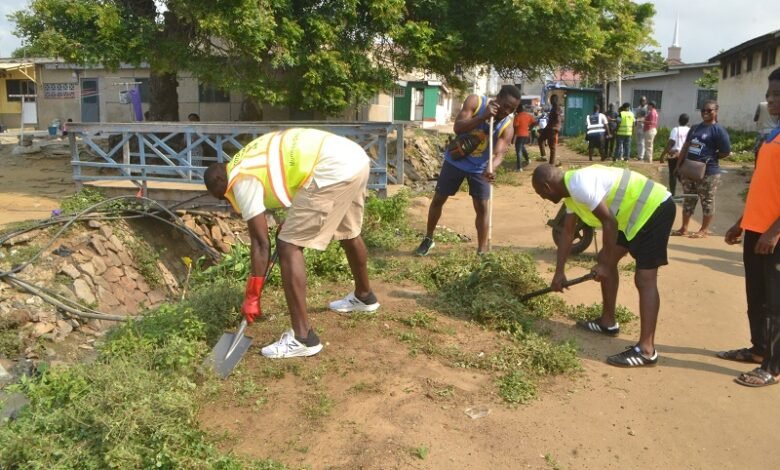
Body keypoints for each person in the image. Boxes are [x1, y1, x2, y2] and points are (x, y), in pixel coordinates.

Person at [204, 128, 380, 358]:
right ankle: (364, 296)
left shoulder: (240, 179)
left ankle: (303, 338)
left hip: (330, 171)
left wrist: (252, 296)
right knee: (348, 231)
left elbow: (260, 244)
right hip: (354, 159)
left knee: (288, 246)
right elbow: (291, 173)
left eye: (221, 195)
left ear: (220, 179)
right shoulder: (246, 158)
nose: (227, 202)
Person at [532, 163, 675, 367]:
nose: (542, 197)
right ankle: (608, 322)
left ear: (547, 187)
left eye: (540, 193)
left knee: (644, 278)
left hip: (654, 208)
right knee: (604, 258)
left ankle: (646, 350)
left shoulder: (579, 185)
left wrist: (606, 266)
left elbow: (609, 222)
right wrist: (559, 273)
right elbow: (567, 233)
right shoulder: (571, 193)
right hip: (633, 216)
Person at [721, 67, 780, 387]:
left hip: (774, 234)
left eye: (778, 95)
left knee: (775, 302)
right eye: (769, 94)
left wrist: (774, 231)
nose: (771, 101)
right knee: (755, 295)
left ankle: (773, 366)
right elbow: (764, 185)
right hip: (757, 227)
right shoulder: (772, 135)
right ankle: (759, 350)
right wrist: (742, 221)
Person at [414, 85, 520, 256]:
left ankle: (482, 251)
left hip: (479, 168)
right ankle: (428, 238)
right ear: (498, 98)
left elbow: (500, 152)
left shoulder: (507, 126)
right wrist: (483, 117)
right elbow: (458, 127)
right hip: (455, 161)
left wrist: (491, 167)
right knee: (438, 199)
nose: (507, 111)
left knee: (482, 208)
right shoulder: (476, 102)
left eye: (512, 109)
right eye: (505, 105)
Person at [671, 100, 731, 238]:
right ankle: (683, 228)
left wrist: (712, 156)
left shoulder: (719, 131)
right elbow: (686, 147)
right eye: (703, 110)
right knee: (688, 199)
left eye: (709, 110)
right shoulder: (695, 128)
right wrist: (678, 165)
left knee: (707, 200)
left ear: (716, 111)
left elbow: (725, 151)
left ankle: (703, 230)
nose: (705, 113)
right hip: (689, 170)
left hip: (709, 172)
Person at [658, 113, 690, 196]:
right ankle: (687, 193)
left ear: (679, 120)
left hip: (675, 155)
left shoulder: (676, 130)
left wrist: (663, 155)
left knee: (673, 175)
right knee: (683, 175)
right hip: (685, 155)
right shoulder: (690, 130)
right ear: (687, 121)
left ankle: (673, 194)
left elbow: (671, 143)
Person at [539, 94, 562, 166]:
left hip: (552, 129)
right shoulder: (554, 108)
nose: (550, 101)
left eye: (551, 99)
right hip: (548, 128)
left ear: (553, 100)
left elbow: (558, 117)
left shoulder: (556, 108)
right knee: (540, 139)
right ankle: (544, 156)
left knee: (552, 147)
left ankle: (551, 164)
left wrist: (557, 128)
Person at [512, 104, 535, 171]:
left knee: (518, 151)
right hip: (526, 135)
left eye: (516, 109)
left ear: (519, 109)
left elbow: (515, 127)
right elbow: (534, 122)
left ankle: (519, 168)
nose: (516, 110)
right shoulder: (528, 115)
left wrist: (513, 137)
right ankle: (528, 159)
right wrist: (530, 128)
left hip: (520, 135)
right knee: (522, 147)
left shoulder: (517, 116)